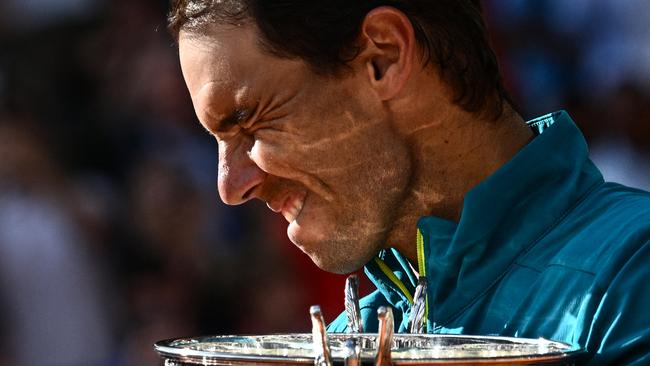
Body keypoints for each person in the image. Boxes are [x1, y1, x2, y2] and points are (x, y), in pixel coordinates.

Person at [167, 1, 650, 364]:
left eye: (249, 122)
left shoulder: (634, 272)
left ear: (385, 57)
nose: (230, 187)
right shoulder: (347, 338)